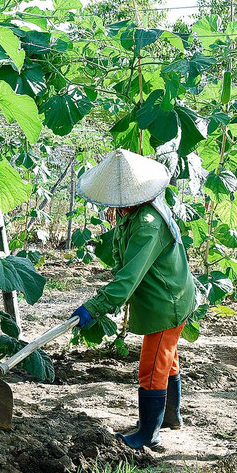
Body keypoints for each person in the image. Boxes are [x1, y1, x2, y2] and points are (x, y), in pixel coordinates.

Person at [70, 149, 198, 450]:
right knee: (167, 360)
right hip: (169, 294)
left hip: (167, 303)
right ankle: (169, 417)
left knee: (151, 368)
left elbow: (127, 279)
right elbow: (122, 259)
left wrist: (94, 308)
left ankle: (147, 436)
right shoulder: (137, 213)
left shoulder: (147, 224)